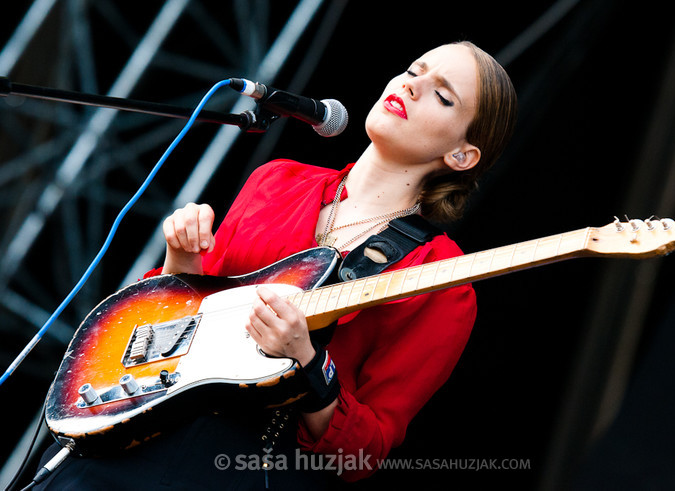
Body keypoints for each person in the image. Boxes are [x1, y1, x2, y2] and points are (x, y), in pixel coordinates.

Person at [35, 40, 516, 489]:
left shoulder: (443, 279)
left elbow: (363, 455)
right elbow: (172, 322)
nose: (410, 84)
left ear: (462, 154)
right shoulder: (278, 180)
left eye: (443, 96)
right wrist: (181, 259)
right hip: (122, 434)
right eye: (415, 70)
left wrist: (307, 362)